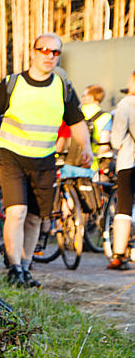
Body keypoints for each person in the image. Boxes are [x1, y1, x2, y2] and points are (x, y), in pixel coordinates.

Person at [0, 33, 92, 287]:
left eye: (55, 52)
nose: (49, 56)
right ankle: (14, 267)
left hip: (44, 160)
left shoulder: (62, 86)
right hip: (12, 156)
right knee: (16, 212)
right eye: (44, 50)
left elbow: (77, 122)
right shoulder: (13, 82)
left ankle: (26, 266)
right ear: (33, 52)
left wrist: (86, 147)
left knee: (34, 218)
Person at [108, 70, 135, 269]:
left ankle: (119, 254)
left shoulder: (126, 105)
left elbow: (116, 140)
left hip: (129, 163)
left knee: (124, 208)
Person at [76, 84, 114, 174]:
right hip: (92, 165)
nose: (82, 98)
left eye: (83, 95)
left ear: (90, 97)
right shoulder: (105, 117)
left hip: (71, 163)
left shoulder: (76, 114)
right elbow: (104, 146)